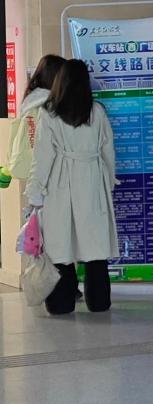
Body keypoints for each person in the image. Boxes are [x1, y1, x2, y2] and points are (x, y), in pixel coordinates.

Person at [26, 58, 117, 315]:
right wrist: (108, 181)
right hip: (92, 180)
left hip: (60, 183)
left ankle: (61, 303)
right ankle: (99, 302)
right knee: (94, 245)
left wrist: (35, 191)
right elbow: (108, 151)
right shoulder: (96, 112)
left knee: (60, 245)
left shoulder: (49, 114)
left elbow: (42, 157)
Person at [3, 54, 66, 181]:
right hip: (49, 176)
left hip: (33, 173)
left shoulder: (31, 100)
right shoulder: (48, 105)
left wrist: (8, 165)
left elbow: (16, 134)